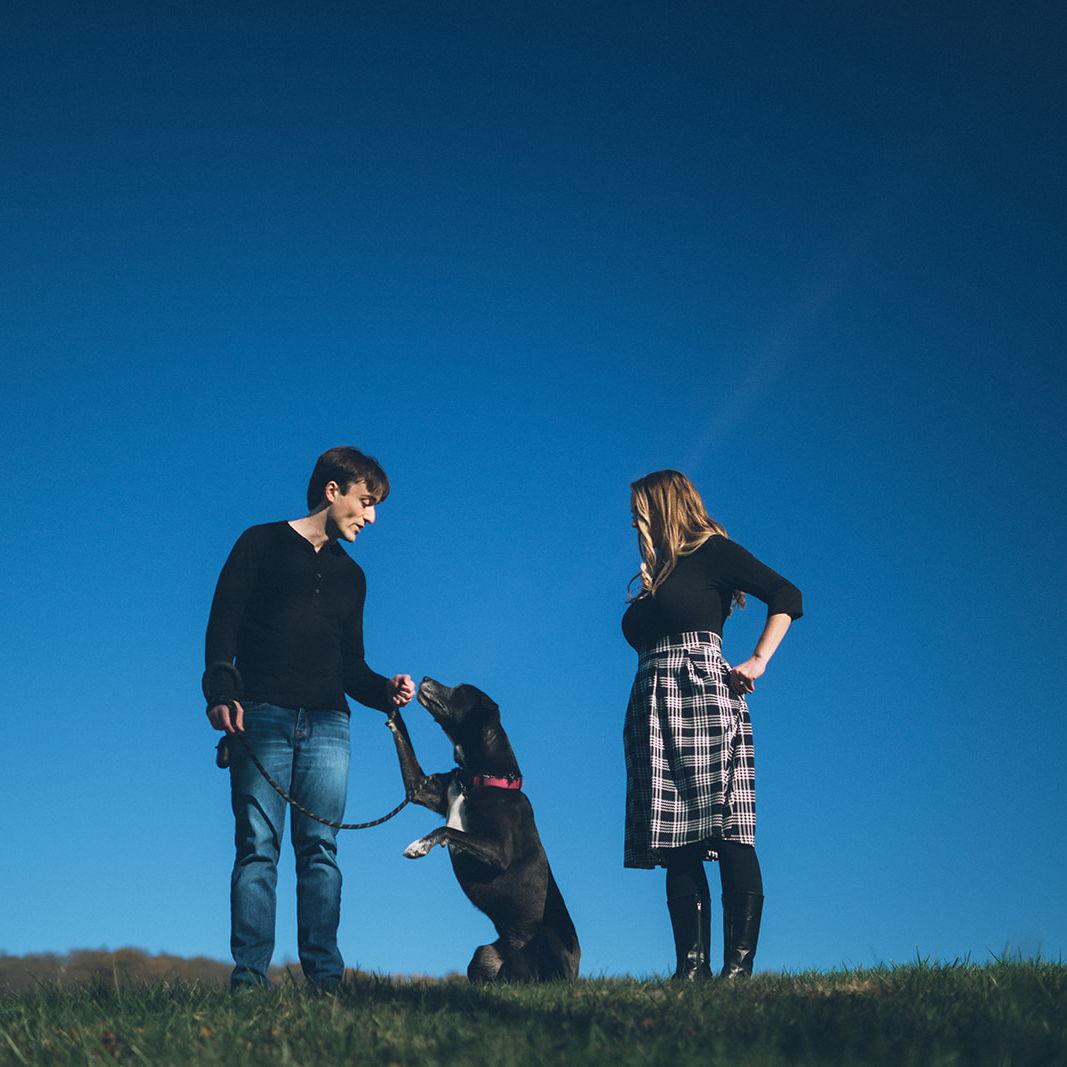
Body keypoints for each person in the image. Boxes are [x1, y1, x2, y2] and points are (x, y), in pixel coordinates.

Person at [203, 446, 415, 992]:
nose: (371, 517)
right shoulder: (260, 543)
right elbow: (223, 626)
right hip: (260, 717)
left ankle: (326, 982)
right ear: (332, 490)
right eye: (366, 502)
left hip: (329, 727)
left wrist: (385, 691)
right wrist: (221, 690)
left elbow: (352, 667)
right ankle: (250, 981)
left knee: (321, 851)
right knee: (258, 848)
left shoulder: (353, 578)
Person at [621, 469, 802, 980]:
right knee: (675, 838)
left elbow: (786, 594)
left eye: (640, 510)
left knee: (729, 829)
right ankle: (691, 970)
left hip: (701, 695)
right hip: (652, 703)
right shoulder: (655, 574)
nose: (633, 520)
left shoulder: (712, 552)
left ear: (663, 506)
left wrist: (758, 660)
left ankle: (738, 970)